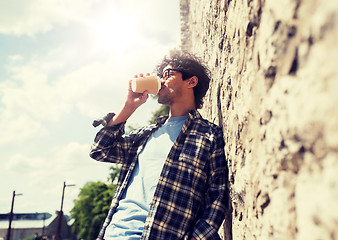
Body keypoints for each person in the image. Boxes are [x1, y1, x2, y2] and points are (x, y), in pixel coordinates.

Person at [90, 52, 230, 240]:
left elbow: (217, 196)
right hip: (114, 234)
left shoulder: (208, 135)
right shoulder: (146, 134)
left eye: (168, 74)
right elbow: (101, 150)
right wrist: (129, 106)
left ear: (191, 82)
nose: (162, 81)